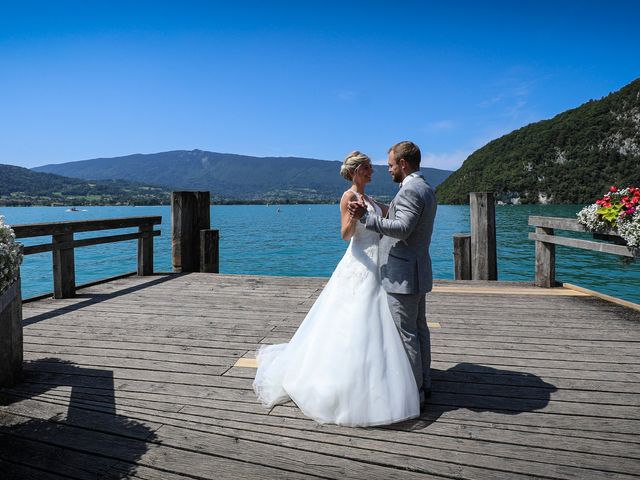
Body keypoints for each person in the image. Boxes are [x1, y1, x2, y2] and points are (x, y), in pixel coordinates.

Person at [253, 151, 420, 427]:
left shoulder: (370, 199)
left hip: (380, 264)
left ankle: (378, 377)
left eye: (371, 168)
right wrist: (356, 217)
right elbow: (345, 234)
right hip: (360, 263)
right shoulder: (348, 197)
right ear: (355, 172)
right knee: (353, 321)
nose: (372, 171)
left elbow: (390, 217)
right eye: (367, 168)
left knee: (378, 324)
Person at [349, 141, 437, 406]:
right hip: (417, 271)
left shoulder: (411, 190)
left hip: (402, 275)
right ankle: (425, 383)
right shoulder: (425, 188)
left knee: (406, 335)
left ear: (403, 164)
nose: (387, 170)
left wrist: (367, 218)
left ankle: (413, 394)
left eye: (390, 165)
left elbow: (403, 228)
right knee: (419, 330)